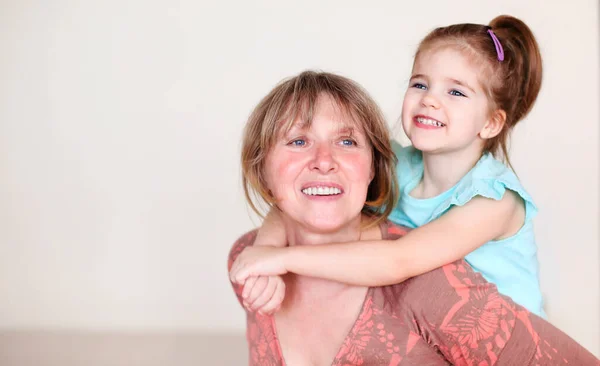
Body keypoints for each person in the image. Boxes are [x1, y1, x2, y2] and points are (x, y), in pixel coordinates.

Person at [228, 70, 598, 365]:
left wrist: (277, 257)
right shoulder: (249, 261)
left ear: (374, 167)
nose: (324, 161)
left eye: (346, 142)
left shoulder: (435, 289)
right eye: (297, 141)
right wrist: (267, 254)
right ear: (261, 170)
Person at [230, 15, 548, 318]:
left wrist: (281, 259)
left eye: (455, 91)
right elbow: (298, 195)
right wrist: (265, 251)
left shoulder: (495, 201)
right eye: (421, 85)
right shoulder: (397, 167)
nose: (430, 100)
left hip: (508, 346)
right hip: (436, 333)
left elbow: (399, 261)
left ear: (492, 123)